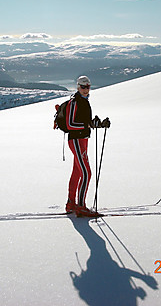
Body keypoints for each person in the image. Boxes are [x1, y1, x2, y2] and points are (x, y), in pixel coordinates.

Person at [65, 76, 108, 217]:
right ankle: (81, 207)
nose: (85, 89)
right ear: (78, 87)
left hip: (82, 140)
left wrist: (99, 124)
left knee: (77, 172)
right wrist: (87, 125)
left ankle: (71, 204)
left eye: (88, 86)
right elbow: (70, 124)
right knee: (86, 173)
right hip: (76, 140)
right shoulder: (74, 102)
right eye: (83, 87)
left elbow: (85, 122)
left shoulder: (84, 101)